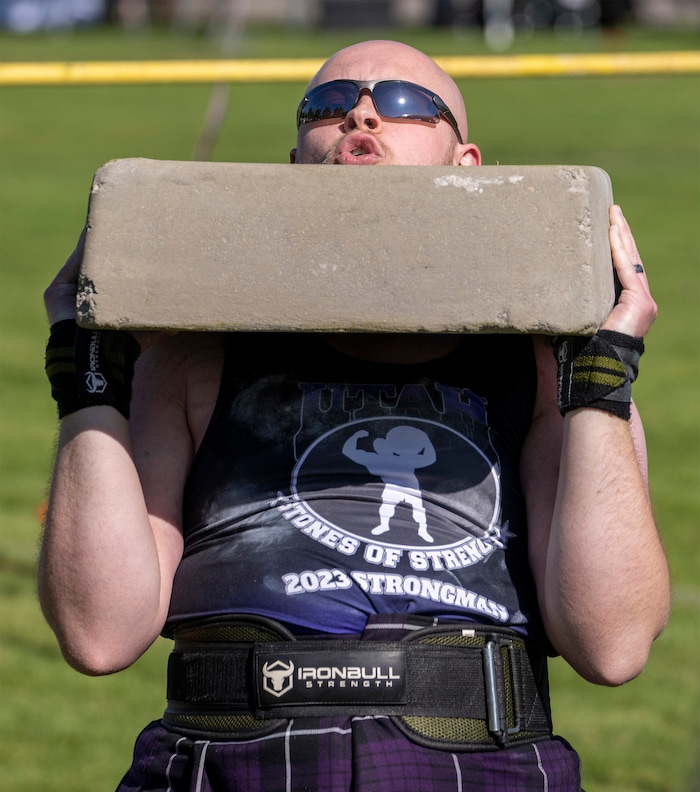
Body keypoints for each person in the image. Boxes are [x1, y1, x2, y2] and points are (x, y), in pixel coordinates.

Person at [40, 40, 669, 792]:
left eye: (405, 103)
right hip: (231, 758)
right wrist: (85, 376)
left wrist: (602, 381)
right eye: (328, 107)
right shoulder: (193, 358)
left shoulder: (549, 370)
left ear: (466, 163)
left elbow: (615, 645)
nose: (363, 113)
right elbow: (98, 633)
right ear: (298, 161)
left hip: (477, 762)